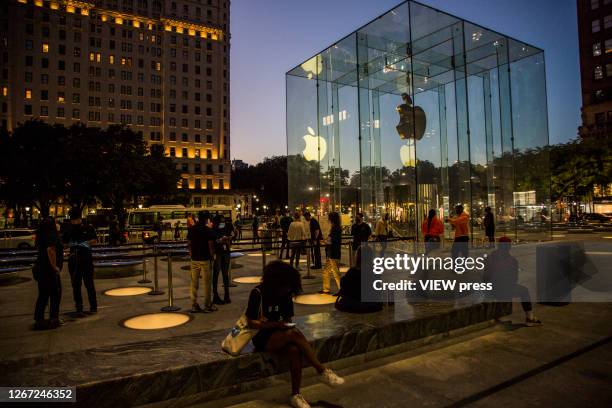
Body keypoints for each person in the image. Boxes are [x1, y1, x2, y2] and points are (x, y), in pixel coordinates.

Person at [246, 261, 345, 408]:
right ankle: (321, 370)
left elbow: (287, 318)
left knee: (294, 350)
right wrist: (276, 325)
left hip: (281, 334)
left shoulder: (285, 294)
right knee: (294, 333)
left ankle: (296, 394)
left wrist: (284, 326)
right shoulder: (258, 293)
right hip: (262, 336)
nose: (287, 290)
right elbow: (250, 323)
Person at [483, 237, 542, 326]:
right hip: (502, 290)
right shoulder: (512, 261)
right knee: (524, 291)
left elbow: (485, 276)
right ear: (509, 247)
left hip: (490, 289)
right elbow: (514, 279)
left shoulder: (490, 257)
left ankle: (494, 316)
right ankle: (530, 317)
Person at [62, 209, 97, 317]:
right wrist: (71, 244)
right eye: (73, 220)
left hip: (86, 259)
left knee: (89, 284)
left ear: (80, 219)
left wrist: (85, 243)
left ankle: (93, 306)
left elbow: (95, 240)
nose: (75, 222)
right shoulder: (68, 230)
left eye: (76, 220)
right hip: (74, 259)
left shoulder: (88, 227)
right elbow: (64, 244)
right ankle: (79, 307)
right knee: (76, 285)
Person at [34, 217, 64, 330]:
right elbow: (51, 250)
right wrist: (55, 267)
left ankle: (39, 319)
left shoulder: (41, 235)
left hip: (41, 269)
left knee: (43, 295)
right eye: (55, 222)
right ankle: (54, 318)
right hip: (49, 271)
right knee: (55, 294)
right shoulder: (52, 235)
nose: (57, 224)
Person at [335, 247, 382, 314]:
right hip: (371, 304)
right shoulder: (375, 271)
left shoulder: (352, 271)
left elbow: (344, 286)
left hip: (354, 303)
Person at [187, 211, 217, 313]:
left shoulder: (191, 229)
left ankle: (194, 305)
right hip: (205, 259)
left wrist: (191, 255)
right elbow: (210, 245)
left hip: (194, 259)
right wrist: (212, 256)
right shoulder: (207, 230)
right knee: (207, 284)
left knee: (194, 283)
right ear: (206, 219)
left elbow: (189, 244)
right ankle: (207, 306)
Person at [212, 214, 234, 305]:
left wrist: (228, 238)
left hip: (225, 252)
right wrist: (220, 240)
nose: (222, 223)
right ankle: (215, 295)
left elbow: (233, 234)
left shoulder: (227, 227)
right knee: (216, 274)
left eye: (223, 221)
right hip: (218, 253)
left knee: (225, 273)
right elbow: (212, 241)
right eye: (221, 221)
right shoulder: (213, 229)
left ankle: (226, 295)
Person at [320, 212, 342, 295]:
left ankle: (341, 290)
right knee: (326, 271)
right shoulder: (335, 228)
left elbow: (333, 241)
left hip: (333, 253)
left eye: (329, 218)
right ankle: (326, 289)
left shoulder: (335, 229)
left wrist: (326, 242)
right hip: (331, 253)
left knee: (336, 273)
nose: (328, 219)